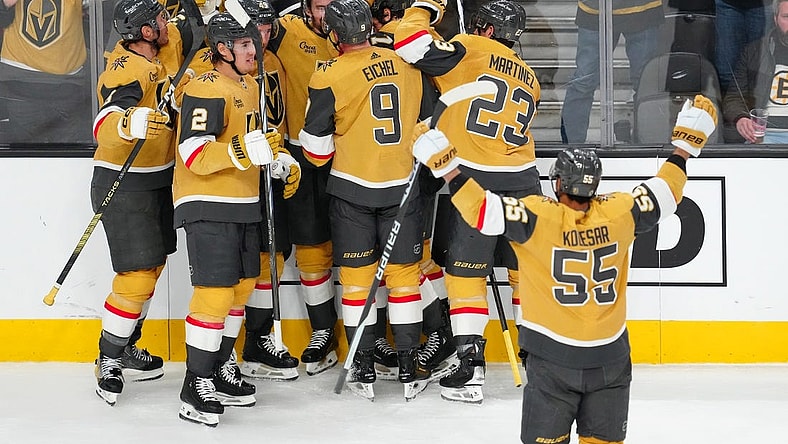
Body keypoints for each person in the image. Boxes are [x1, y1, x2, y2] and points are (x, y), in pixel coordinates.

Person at [411, 95, 717, 444]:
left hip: (553, 361)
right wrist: (684, 149)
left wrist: (446, 164)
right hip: (611, 359)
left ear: (557, 183)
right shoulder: (621, 212)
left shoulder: (538, 218)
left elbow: (481, 209)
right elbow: (666, 192)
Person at [394, 0, 541, 404]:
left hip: (475, 178)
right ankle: (539, 362)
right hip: (525, 179)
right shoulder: (530, 76)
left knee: (465, 276)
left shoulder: (470, 47)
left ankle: (470, 369)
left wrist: (422, 9)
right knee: (524, 276)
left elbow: (411, 45)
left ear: (488, 30)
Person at [300, 0, 439, 400]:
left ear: (335, 34)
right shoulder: (406, 64)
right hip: (403, 189)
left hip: (351, 192)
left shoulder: (328, 74)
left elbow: (316, 151)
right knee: (403, 281)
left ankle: (362, 365)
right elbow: (428, 124)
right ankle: (410, 364)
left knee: (359, 284)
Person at [173, 12, 298, 426]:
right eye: (244, 45)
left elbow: (252, 141)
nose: (254, 50)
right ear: (223, 49)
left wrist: (277, 159)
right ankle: (196, 383)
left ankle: (221, 366)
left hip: (244, 202)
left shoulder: (249, 85)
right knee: (214, 293)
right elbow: (192, 150)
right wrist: (242, 152)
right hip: (207, 202)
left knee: (242, 287)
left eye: (254, 43)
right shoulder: (206, 87)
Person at [91, 0, 175, 406]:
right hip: (124, 184)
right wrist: (128, 122)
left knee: (152, 270)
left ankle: (125, 345)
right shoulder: (124, 69)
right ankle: (108, 358)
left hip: (159, 179)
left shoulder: (162, 49)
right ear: (145, 32)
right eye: (160, 20)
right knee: (137, 276)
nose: (166, 22)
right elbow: (104, 120)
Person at [368, 0, 457, 382]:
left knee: (409, 256)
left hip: (413, 160)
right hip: (413, 158)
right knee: (410, 256)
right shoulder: (422, 38)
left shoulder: (397, 44)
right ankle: (441, 331)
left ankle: (441, 332)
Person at [230, 0, 304, 382]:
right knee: (234, 266)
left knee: (272, 256)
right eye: (254, 31)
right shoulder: (219, 72)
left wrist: (283, 157)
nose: (263, 36)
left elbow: (279, 118)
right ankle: (224, 349)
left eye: (266, 29)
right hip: (234, 175)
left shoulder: (273, 64)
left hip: (268, 171)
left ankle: (257, 343)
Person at [266, 0, 342, 376]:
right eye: (320, 6)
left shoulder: (362, 34)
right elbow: (249, 22)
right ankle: (324, 331)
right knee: (312, 251)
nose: (325, 14)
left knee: (369, 251)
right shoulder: (288, 31)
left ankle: (375, 339)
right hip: (303, 154)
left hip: (352, 156)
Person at [559, 0, 664, 143]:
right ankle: (571, 148)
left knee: (646, 84)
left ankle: (649, 144)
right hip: (596, 10)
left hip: (642, 10)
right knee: (583, 82)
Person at [0, 0, 92, 144]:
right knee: (27, 157)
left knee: (66, 157)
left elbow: (101, 15)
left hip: (66, 87)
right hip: (21, 84)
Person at [723, 0, 788, 144]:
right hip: (763, 135)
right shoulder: (755, 51)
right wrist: (741, 118)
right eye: (787, 17)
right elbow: (733, 97)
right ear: (775, 19)